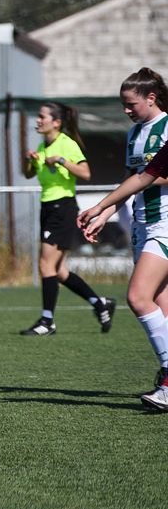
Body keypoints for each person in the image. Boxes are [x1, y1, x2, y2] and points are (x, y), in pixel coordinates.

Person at [78, 68, 168, 409]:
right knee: (161, 303)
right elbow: (134, 179)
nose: (126, 110)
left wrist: (147, 179)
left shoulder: (167, 128)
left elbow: (149, 177)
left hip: (166, 224)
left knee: (137, 296)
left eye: (131, 104)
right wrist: (105, 213)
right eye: (122, 104)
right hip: (143, 225)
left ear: (151, 98)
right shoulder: (133, 134)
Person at [20, 102, 115, 336]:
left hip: (62, 208)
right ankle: (99, 303)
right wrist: (31, 161)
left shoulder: (66, 144)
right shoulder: (43, 145)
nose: (37, 121)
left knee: (45, 265)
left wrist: (62, 160)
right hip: (48, 207)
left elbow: (86, 172)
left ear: (57, 122)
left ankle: (47, 321)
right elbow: (29, 174)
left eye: (42, 117)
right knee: (59, 270)